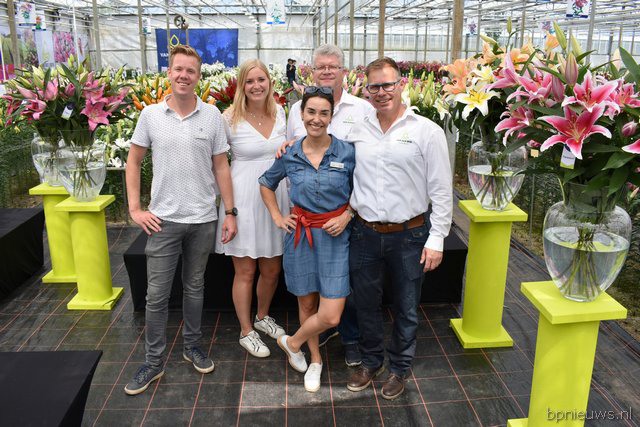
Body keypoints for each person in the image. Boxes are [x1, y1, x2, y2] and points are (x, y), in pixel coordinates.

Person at [123, 45, 237, 395]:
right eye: (178, 69)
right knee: (156, 296)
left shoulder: (212, 115)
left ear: (198, 76)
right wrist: (135, 208)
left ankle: (192, 346)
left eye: (191, 70)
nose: (184, 75)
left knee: (194, 286)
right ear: (169, 73)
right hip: (163, 220)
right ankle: (153, 362)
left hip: (202, 218)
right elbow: (133, 161)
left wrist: (229, 212)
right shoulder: (151, 115)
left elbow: (221, 166)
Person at [346, 57, 452, 400]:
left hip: (410, 234)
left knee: (407, 307)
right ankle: (371, 361)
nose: (381, 92)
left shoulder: (426, 131)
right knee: (365, 303)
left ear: (401, 84)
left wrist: (437, 238)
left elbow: (441, 190)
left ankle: (399, 368)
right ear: (366, 89)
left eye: (387, 84)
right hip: (364, 233)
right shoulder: (357, 129)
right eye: (374, 86)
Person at [259, 87, 355, 393]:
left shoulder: (347, 152)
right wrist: (278, 217)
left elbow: (363, 189)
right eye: (311, 112)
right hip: (300, 236)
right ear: (301, 115)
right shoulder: (290, 153)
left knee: (331, 314)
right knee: (307, 302)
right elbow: (266, 183)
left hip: (335, 237)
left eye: (324, 113)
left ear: (331, 117)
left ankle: (292, 342)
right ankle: (315, 360)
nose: (317, 119)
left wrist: (347, 214)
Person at [285, 44, 374, 367]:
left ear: (343, 72)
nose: (326, 71)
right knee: (311, 289)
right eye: (320, 66)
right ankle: (315, 341)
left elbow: (368, 165)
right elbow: (290, 150)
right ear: (311, 71)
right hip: (309, 218)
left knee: (344, 283)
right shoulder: (296, 110)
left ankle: (348, 339)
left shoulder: (362, 109)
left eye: (332, 66)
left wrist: (350, 212)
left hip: (348, 214)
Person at [215, 59, 288, 358]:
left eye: (261, 80)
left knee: (272, 267)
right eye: (250, 81)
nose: (256, 86)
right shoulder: (228, 117)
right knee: (245, 270)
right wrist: (229, 211)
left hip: (277, 197)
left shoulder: (280, 112)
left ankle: (262, 316)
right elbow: (220, 164)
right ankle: (246, 330)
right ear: (241, 86)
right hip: (243, 199)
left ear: (269, 82)